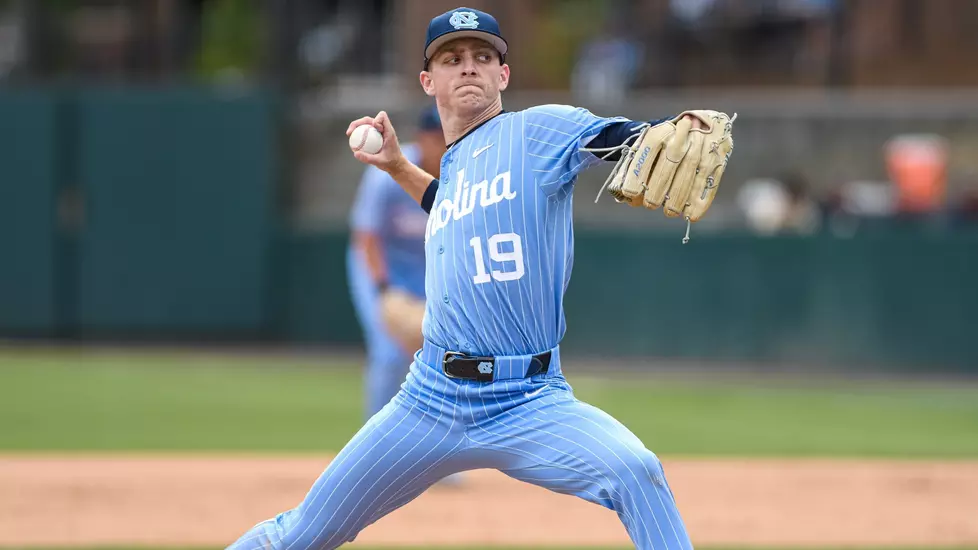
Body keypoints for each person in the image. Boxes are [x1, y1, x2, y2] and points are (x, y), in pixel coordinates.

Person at [228, 7, 718, 549]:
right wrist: (396, 166)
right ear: (428, 80)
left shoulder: (538, 132)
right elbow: (448, 205)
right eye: (452, 58)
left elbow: (620, 137)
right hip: (431, 399)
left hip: (530, 399)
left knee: (636, 471)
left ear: (502, 75)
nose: (468, 68)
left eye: (483, 57)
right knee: (306, 531)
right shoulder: (455, 166)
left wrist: (661, 132)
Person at [346, 105, 443, 420]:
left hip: (428, 270)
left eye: (447, 136)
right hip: (380, 266)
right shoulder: (388, 174)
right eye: (434, 136)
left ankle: (438, 451)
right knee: (388, 354)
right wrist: (383, 289)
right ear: (421, 138)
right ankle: (374, 447)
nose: (441, 143)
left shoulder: (462, 173)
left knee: (444, 356)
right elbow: (367, 237)